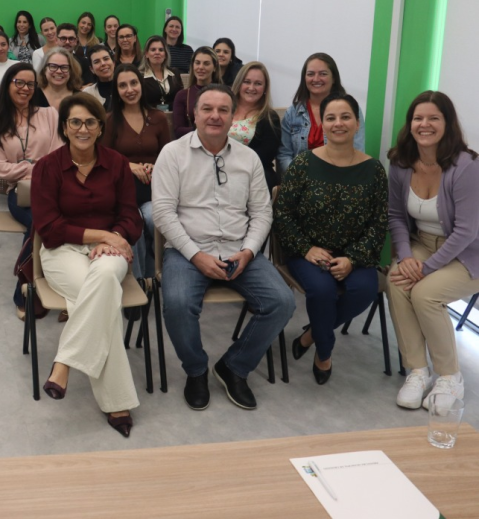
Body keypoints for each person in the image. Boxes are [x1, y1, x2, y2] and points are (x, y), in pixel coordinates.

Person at [152, 84, 294, 411]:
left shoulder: (249, 158)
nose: (215, 116)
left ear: (233, 118)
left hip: (238, 250)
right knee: (177, 303)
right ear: (194, 115)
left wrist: (249, 251)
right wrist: (196, 255)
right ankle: (196, 370)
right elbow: (163, 214)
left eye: (223, 110)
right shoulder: (172, 154)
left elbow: (262, 213)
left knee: (282, 302)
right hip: (188, 251)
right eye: (207, 109)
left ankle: (234, 366)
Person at [32, 93, 142, 437]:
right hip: (61, 250)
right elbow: (49, 227)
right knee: (103, 301)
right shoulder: (47, 167)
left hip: (109, 251)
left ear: (100, 127)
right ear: (65, 128)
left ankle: (64, 362)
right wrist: (102, 235)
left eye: (90, 122)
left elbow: (131, 216)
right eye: (75, 122)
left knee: (103, 282)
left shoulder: (117, 164)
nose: (83, 129)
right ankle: (116, 401)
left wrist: (115, 237)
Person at [273, 94, 387, 385]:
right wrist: (306, 248)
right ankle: (324, 353)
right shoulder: (303, 163)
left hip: (354, 254)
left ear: (357, 123)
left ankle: (312, 334)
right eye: (331, 118)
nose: (339, 123)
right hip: (308, 252)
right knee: (322, 291)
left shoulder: (374, 170)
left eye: (345, 117)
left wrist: (353, 258)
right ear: (321, 124)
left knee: (364, 290)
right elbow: (282, 213)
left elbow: (378, 223)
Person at [387, 91, 479, 410]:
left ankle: (450, 376)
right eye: (418, 118)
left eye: (433, 118)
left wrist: (424, 269)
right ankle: (417, 371)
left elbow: (466, 231)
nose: (424, 124)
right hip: (422, 243)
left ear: (447, 123)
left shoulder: (467, 166)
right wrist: (406, 257)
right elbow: (396, 216)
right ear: (410, 123)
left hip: (468, 253)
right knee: (397, 282)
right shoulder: (400, 163)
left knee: (425, 294)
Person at [0, 63, 63, 317]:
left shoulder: (50, 115)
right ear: (8, 84)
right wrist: (34, 168)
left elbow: (58, 154)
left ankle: (46, 286)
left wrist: (27, 167)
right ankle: (28, 289)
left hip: (54, 189)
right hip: (21, 193)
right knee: (41, 222)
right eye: (19, 82)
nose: (25, 88)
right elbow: (0, 168)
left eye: (30, 84)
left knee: (50, 222)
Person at [101, 65, 170, 279]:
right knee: (133, 224)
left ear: (141, 84)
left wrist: (156, 165)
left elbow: (169, 156)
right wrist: (128, 165)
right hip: (123, 194)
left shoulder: (159, 118)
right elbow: (103, 158)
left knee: (152, 218)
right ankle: (138, 281)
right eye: (123, 85)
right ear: (116, 91)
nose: (129, 89)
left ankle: (157, 274)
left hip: (153, 191)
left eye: (133, 83)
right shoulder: (110, 120)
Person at [279, 53, 365, 174]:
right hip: (300, 179)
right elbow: (284, 154)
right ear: (304, 78)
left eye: (323, 74)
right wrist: (298, 177)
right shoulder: (292, 113)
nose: (316, 79)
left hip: (340, 178)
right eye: (310, 74)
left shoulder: (350, 109)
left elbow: (357, 150)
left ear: (334, 78)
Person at [228, 62, 281, 190]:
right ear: (239, 83)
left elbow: (266, 155)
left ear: (265, 88)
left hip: (255, 177)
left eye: (258, 84)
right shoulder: (224, 109)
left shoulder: (270, 117)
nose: (251, 88)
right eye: (247, 82)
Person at [171, 47, 222, 139]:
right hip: (191, 143)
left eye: (206, 63)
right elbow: (178, 131)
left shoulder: (225, 94)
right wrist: (203, 130)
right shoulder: (182, 95)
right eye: (197, 63)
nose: (201, 67)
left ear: (214, 67)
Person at [139, 35, 183, 112]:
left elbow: (181, 98)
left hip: (173, 115)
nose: (157, 52)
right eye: (153, 50)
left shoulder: (174, 73)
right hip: (150, 116)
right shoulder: (139, 76)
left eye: (161, 50)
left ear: (165, 54)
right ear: (146, 54)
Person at [81, 45, 115, 111]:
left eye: (106, 59)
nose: (103, 63)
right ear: (91, 69)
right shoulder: (87, 94)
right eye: (97, 62)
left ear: (113, 63)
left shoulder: (126, 87)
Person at [74, 13, 99, 85]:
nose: (85, 26)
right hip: (76, 77)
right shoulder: (72, 40)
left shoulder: (96, 42)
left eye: (89, 24)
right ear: (78, 23)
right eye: (83, 23)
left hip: (92, 78)